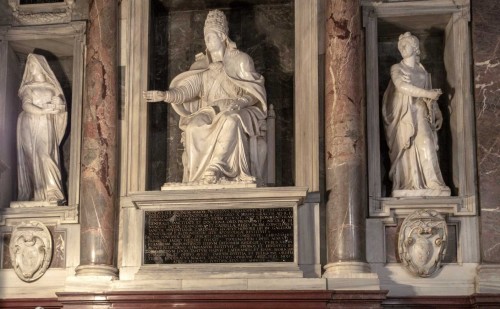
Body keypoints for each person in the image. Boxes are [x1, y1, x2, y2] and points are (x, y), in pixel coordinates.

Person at [144, 10, 267, 185]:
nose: (206, 42)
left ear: (222, 36)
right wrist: (165, 95)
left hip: (239, 110)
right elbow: (186, 91)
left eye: (209, 37)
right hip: (211, 111)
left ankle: (216, 167)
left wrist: (240, 102)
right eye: (205, 37)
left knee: (230, 120)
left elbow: (255, 91)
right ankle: (198, 177)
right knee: (194, 126)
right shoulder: (201, 67)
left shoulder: (241, 61)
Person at [382, 32, 450, 197]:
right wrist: (428, 94)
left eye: (406, 45)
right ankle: (408, 182)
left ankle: (432, 182)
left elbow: (431, 96)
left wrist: (438, 113)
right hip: (404, 115)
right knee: (408, 147)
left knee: (427, 143)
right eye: (400, 46)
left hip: (422, 112)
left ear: (415, 47)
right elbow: (401, 87)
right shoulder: (397, 68)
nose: (402, 48)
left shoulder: (422, 71)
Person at [17, 53, 67, 204]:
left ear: (41, 66)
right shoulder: (27, 88)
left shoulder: (52, 87)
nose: (30, 68)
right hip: (28, 123)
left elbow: (60, 108)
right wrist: (43, 111)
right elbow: (26, 105)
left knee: (45, 155)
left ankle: (53, 192)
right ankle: (37, 192)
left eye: (32, 65)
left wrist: (56, 108)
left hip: (46, 123)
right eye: (29, 65)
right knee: (31, 158)